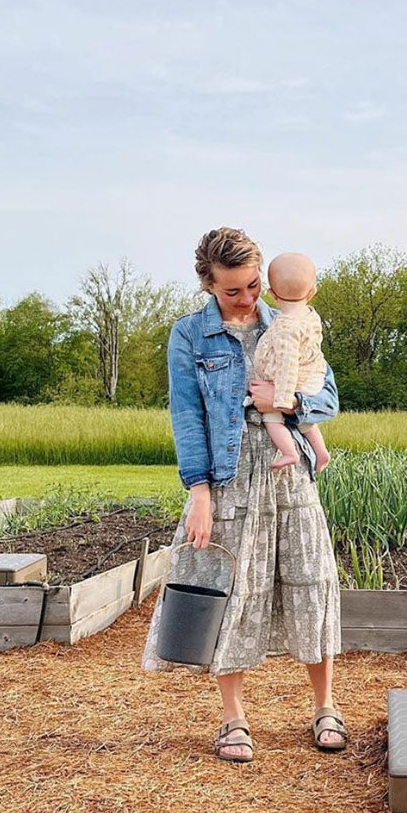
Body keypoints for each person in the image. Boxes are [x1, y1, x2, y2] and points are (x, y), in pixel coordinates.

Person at [142, 227, 348, 763]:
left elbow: (327, 395)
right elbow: (187, 417)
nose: (248, 298)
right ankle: (234, 719)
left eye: (254, 286)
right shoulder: (189, 335)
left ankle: (326, 707)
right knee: (230, 589)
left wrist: (288, 402)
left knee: (312, 579)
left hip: (289, 471)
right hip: (229, 474)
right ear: (208, 285)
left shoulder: (290, 322)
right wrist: (200, 493)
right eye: (232, 290)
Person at [249, 251, 331, 473]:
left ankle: (289, 452)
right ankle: (321, 452)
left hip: (295, 383)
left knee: (271, 417)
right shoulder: (310, 317)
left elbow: (287, 365)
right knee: (305, 421)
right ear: (312, 292)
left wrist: (282, 399)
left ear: (272, 293)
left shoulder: (286, 327)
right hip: (313, 377)